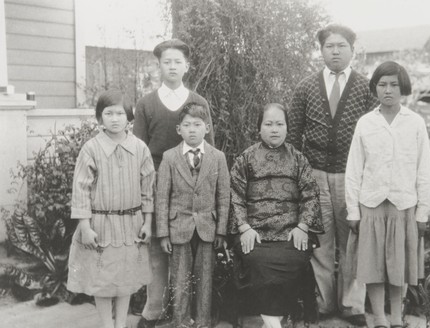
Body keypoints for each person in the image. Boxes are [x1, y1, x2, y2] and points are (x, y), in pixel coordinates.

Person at [288, 23, 378, 326]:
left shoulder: (366, 88)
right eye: (329, 46)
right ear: (321, 50)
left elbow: (374, 137)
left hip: (353, 177)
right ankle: (324, 303)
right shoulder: (305, 87)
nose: (335, 51)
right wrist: (301, 176)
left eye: (341, 46)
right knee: (321, 242)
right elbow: (294, 134)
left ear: (352, 50)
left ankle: (352, 305)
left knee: (354, 239)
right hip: (315, 174)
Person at [133, 39, 215, 328]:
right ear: (158, 65)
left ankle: (190, 312)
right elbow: (139, 151)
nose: (172, 66)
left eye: (177, 61)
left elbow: (210, 151)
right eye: (166, 61)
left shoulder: (199, 103)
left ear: (187, 66)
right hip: (156, 182)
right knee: (158, 249)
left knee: (190, 253)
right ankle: (154, 308)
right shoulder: (146, 103)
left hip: (191, 187)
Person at [344, 61, 430, 328]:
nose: (388, 90)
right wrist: (353, 210)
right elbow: (354, 168)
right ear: (375, 88)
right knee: (373, 265)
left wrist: (422, 212)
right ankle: (380, 320)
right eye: (382, 84)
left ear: (402, 87)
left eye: (394, 84)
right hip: (371, 204)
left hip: (403, 205)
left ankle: (396, 318)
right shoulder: (366, 123)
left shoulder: (415, 123)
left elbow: (424, 169)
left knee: (398, 266)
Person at [229, 103, 324, 328]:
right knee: (256, 261)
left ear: (287, 128)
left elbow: (311, 195)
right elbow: (234, 195)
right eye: (268, 124)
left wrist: (302, 227)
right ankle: (274, 323)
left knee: (294, 259)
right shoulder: (246, 158)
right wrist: (244, 228)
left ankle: (272, 321)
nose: (274, 129)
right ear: (259, 127)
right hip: (255, 231)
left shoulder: (299, 159)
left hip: (291, 232)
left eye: (279, 124)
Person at [67, 90, 155, 328]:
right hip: (101, 225)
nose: (115, 119)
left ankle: (121, 324)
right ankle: (107, 325)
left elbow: (148, 188)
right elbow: (81, 189)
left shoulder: (140, 148)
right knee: (103, 281)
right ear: (99, 118)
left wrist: (147, 222)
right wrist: (85, 227)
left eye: (120, 113)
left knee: (125, 279)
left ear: (130, 118)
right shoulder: (91, 149)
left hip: (131, 225)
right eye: (108, 113)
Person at [156, 102, 230, 328]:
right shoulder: (169, 157)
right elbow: (162, 197)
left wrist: (222, 230)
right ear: (179, 129)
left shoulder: (218, 157)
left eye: (197, 124)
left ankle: (203, 321)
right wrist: (163, 234)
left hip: (207, 227)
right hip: (179, 227)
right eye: (186, 125)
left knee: (205, 277)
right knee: (180, 278)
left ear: (207, 128)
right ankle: (180, 321)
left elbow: (223, 196)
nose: (192, 129)